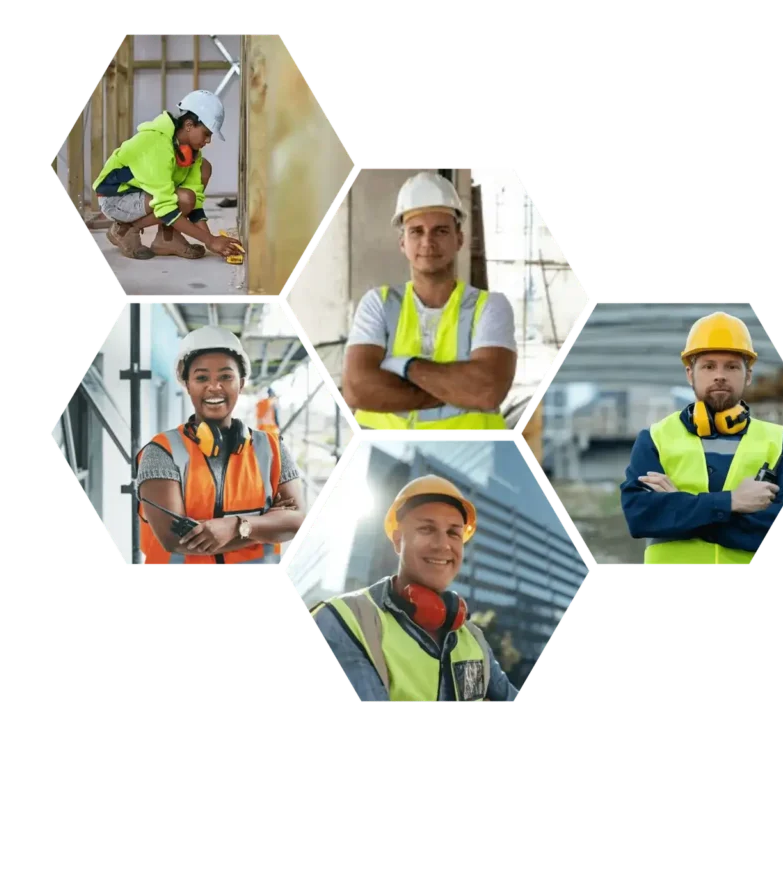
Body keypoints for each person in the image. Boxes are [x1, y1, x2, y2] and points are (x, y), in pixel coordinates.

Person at [309, 475, 520, 702]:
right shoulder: (339, 620)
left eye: (453, 533)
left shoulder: (474, 638)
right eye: (427, 529)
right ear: (398, 540)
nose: (442, 545)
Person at [620, 311, 783, 566]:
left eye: (731, 366)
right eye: (708, 366)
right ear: (689, 374)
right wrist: (733, 502)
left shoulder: (778, 443)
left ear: (748, 375)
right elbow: (640, 516)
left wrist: (680, 510)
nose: (720, 375)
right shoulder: (655, 439)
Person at [342, 172, 517, 431]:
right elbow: (357, 390)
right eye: (416, 231)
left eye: (441, 230)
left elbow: (486, 392)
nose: (428, 242)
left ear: (459, 239)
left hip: (469, 459)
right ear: (403, 242)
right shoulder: (378, 303)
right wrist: (456, 393)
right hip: (386, 457)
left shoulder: (490, 307)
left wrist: (403, 366)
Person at [135, 326, 304, 567]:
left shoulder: (272, 448)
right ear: (187, 384)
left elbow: (297, 522)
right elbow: (175, 539)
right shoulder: (161, 452)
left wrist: (236, 526)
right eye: (202, 378)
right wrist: (267, 524)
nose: (214, 387)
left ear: (241, 383)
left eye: (226, 376)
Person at [93, 90, 244, 262]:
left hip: (142, 196)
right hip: (115, 198)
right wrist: (209, 240)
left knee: (201, 173)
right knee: (183, 198)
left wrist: (212, 241)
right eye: (207, 133)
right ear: (189, 125)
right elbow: (166, 207)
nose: (208, 141)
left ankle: (167, 239)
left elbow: (195, 203)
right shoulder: (157, 144)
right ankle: (125, 230)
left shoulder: (192, 152)